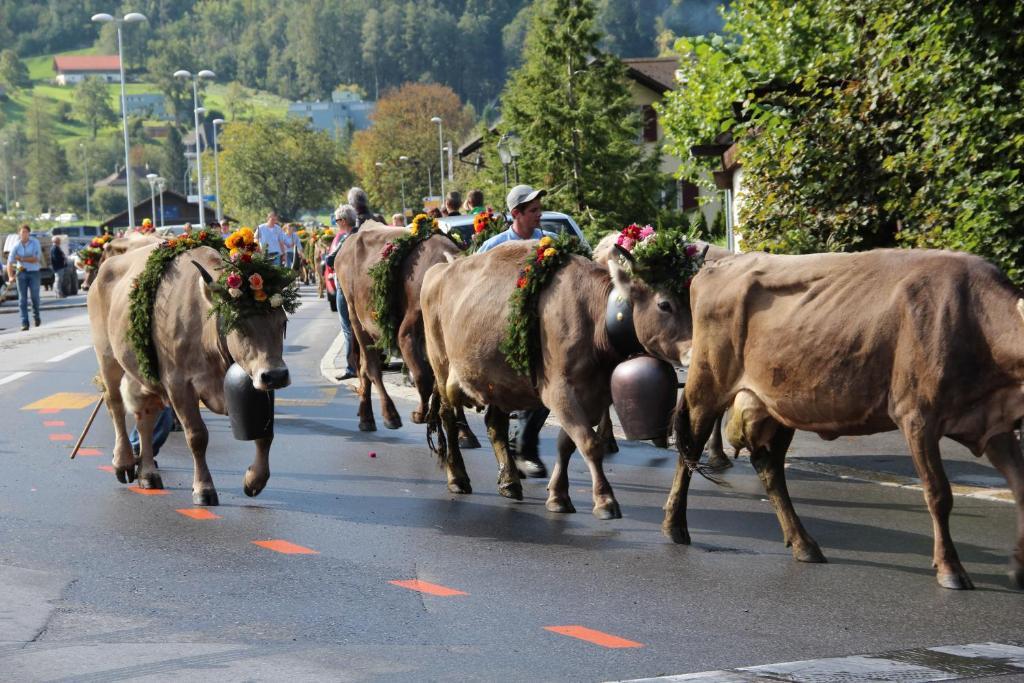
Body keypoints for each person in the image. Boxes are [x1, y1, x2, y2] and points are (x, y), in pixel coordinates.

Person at [476, 185, 558, 478]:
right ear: (516, 214)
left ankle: (525, 446)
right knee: (510, 390)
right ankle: (514, 444)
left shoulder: (551, 242)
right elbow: (474, 287)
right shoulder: (495, 247)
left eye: (539, 209)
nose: (539, 215)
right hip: (503, 331)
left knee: (545, 387)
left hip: (543, 331)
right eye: (533, 210)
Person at [326, 205, 358, 380]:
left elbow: (330, 259)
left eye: (337, 220)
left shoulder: (347, 238)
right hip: (358, 287)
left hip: (344, 287)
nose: (336, 223)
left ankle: (352, 367)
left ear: (343, 221)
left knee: (348, 329)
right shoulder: (360, 234)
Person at [6, 224, 42, 331]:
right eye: (22, 232)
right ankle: (24, 322)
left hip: (34, 272)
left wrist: (21, 258)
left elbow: (36, 259)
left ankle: (36, 316)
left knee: (35, 297)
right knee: (22, 299)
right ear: (19, 233)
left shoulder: (35, 243)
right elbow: (9, 262)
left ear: (29, 233)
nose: (24, 234)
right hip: (21, 273)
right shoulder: (16, 245)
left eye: (26, 232)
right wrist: (10, 276)